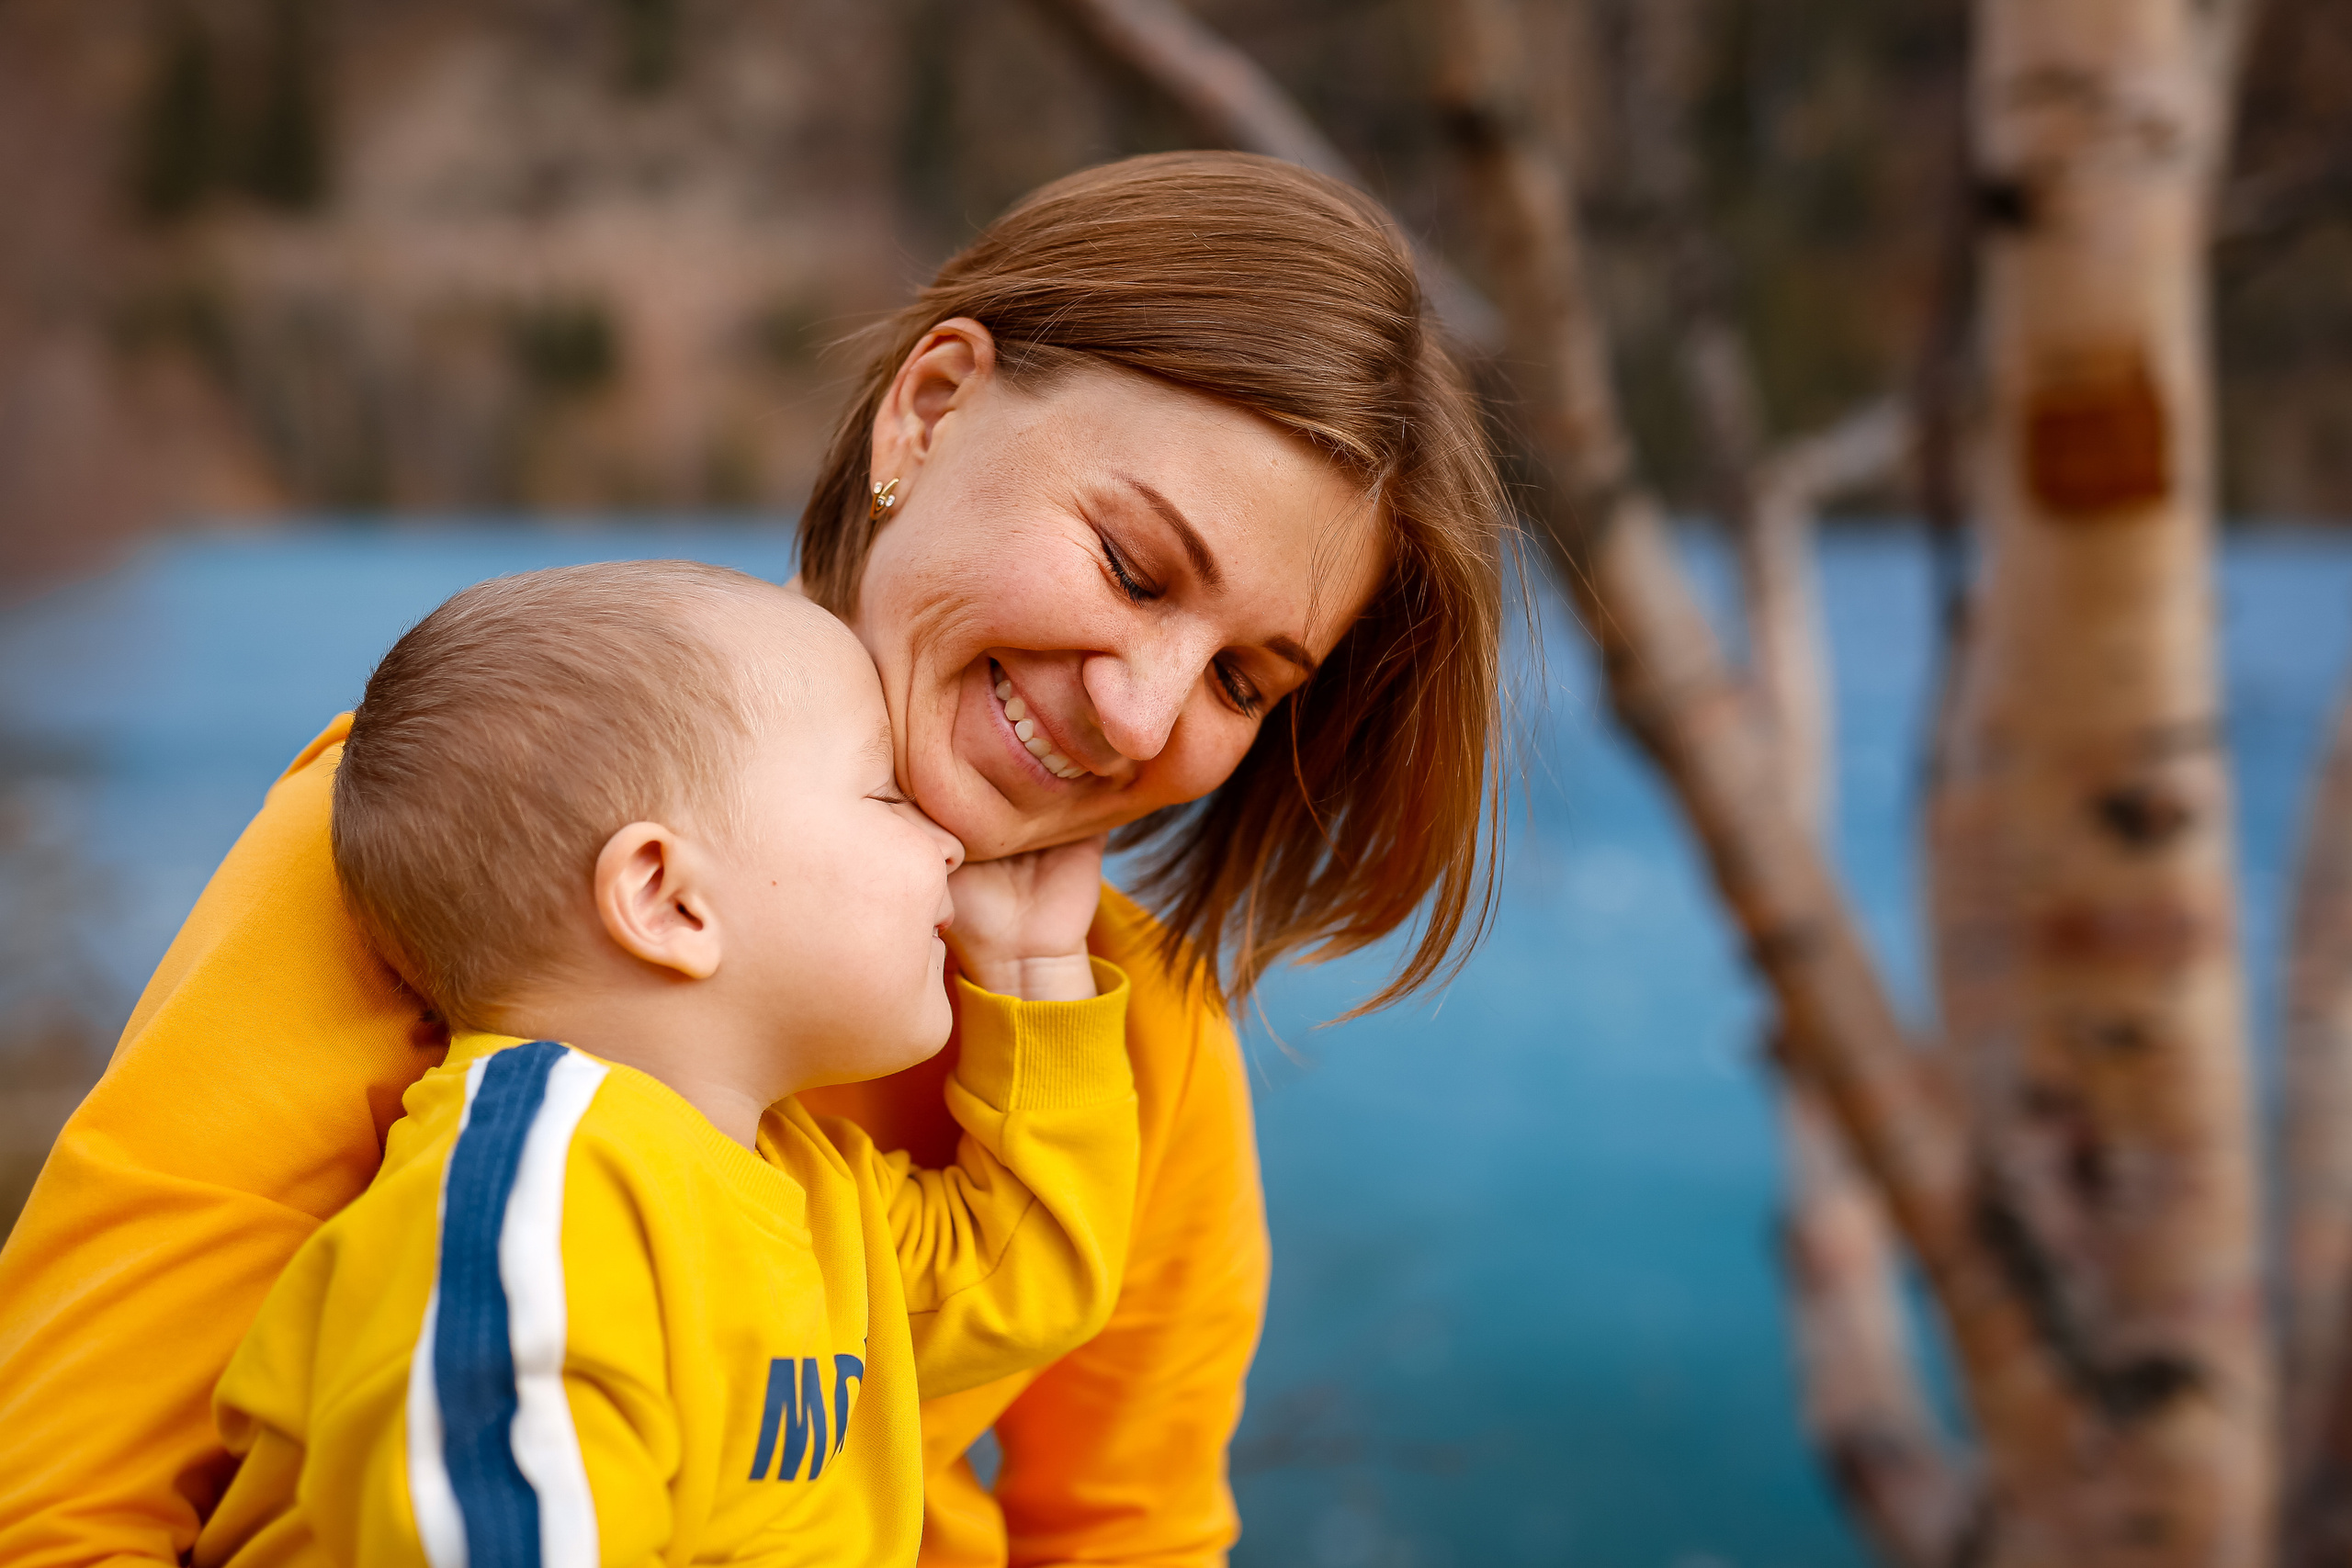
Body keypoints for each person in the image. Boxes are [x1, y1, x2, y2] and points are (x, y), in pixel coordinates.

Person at [0, 150, 1510, 1568]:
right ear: (925, 409)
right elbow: (65, 1499)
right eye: (1130, 566)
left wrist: (1049, 1003)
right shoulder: (478, 831)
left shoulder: (1127, 1032)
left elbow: (1129, 1532)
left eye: (1246, 678)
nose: (1138, 711)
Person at [192, 562, 1139, 1567]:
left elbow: (1022, 1276)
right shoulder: (545, 1188)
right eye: (888, 794)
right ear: (667, 899)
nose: (949, 843)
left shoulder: (800, 1184)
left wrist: (1037, 967)